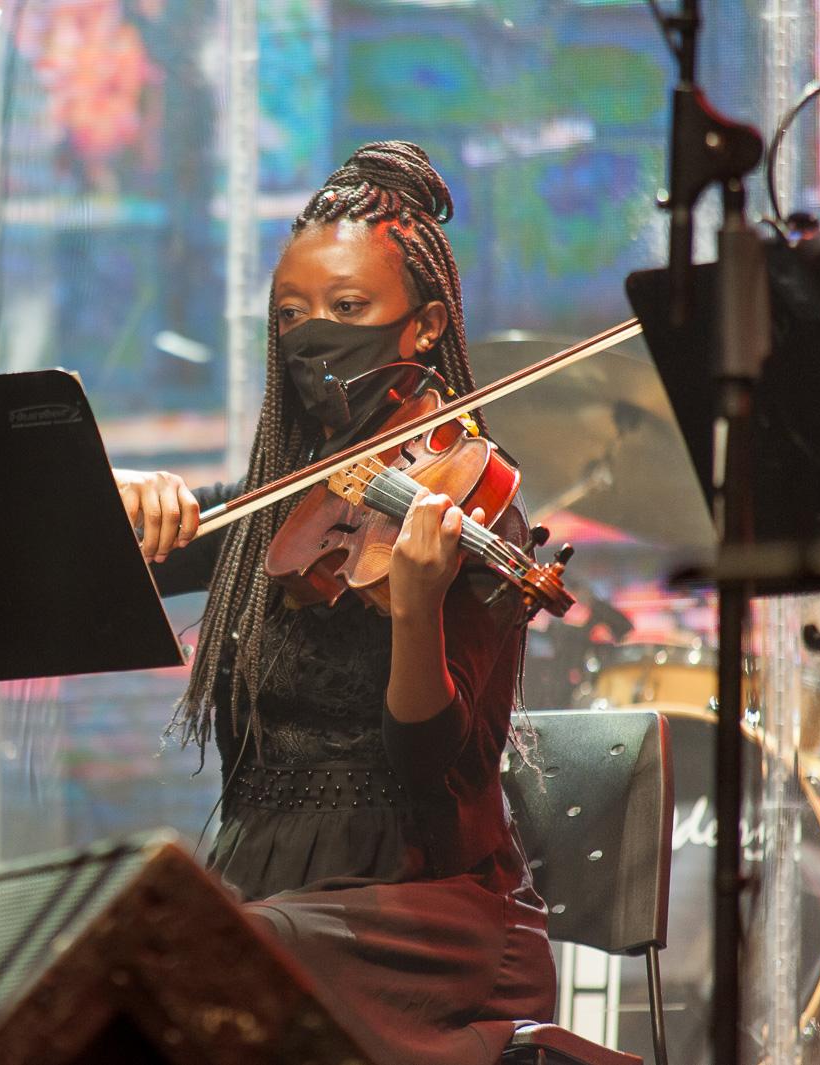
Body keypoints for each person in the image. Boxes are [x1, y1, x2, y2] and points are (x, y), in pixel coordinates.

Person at [114, 142, 556, 1065]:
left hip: (423, 914)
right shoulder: (280, 505)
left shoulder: (472, 497)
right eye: (292, 314)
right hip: (265, 881)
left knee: (216, 956)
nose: (314, 333)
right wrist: (113, 490)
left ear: (425, 325)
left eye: (348, 309)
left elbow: (429, 760)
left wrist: (418, 608)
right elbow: (98, 569)